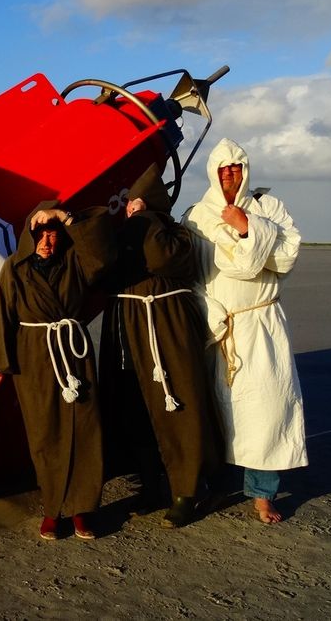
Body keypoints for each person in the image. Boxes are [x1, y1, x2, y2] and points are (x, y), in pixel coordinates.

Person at [181, 138, 308, 524]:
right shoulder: (197, 216)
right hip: (217, 322)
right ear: (212, 173)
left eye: (236, 168)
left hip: (261, 323)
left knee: (267, 409)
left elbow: (285, 258)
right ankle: (215, 482)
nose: (230, 175)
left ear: (246, 170)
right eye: (223, 169)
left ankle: (262, 494)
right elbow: (189, 268)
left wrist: (249, 225)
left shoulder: (269, 208)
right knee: (217, 408)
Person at [99, 166, 222, 528]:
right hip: (127, 325)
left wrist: (147, 217)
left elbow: (159, 259)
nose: (128, 210)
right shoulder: (126, 233)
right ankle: (151, 483)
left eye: (135, 204)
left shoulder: (173, 232)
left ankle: (187, 489)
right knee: (134, 406)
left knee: (180, 403)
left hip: (166, 323)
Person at [0, 205, 114, 540]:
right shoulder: (15, 267)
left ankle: (83, 508)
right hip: (34, 354)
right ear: (30, 234)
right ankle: (54, 509)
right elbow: (3, 312)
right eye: (40, 233)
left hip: (73, 349)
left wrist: (69, 218)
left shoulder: (76, 260)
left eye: (53, 232)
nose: (46, 240)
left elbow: (102, 257)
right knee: (45, 432)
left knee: (86, 428)